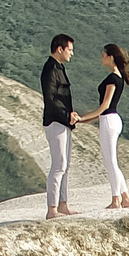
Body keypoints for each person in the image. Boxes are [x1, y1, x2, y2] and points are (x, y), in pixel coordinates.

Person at [75, 43, 129, 210]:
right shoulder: (118, 77)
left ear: (110, 57)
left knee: (111, 162)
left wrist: (82, 118)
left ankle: (116, 199)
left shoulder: (112, 79)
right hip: (111, 120)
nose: (102, 58)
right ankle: (125, 198)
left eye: (103, 55)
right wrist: (84, 121)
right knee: (112, 161)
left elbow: (104, 106)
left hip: (109, 120)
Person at [38, 34, 81, 218]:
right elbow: (51, 99)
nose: (72, 53)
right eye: (69, 49)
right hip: (56, 122)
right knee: (59, 165)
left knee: (66, 165)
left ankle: (63, 204)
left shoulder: (60, 68)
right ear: (60, 49)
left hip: (65, 122)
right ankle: (52, 209)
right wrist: (66, 115)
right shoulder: (49, 69)